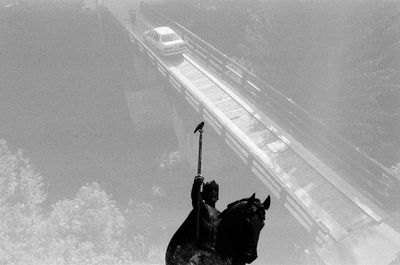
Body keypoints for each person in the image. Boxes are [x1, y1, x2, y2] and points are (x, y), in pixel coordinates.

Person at [191, 174, 221, 252]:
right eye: (211, 190)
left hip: (214, 254)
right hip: (199, 251)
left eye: (216, 191)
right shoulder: (202, 208)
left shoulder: (220, 215)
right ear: (204, 194)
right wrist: (196, 185)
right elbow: (196, 198)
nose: (214, 193)